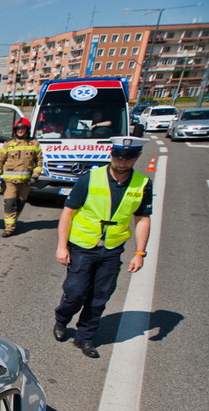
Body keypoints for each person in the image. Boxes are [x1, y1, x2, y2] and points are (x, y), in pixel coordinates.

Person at [53, 136, 152, 358]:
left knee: (100, 296)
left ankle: (84, 338)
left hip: (112, 249)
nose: (121, 162)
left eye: (127, 158)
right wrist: (62, 246)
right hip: (82, 246)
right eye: (117, 156)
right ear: (111, 154)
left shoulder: (142, 184)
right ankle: (62, 320)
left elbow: (142, 219)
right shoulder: (90, 178)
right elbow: (67, 213)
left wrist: (140, 253)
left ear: (136, 157)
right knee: (75, 292)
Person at [0, 117, 42, 237]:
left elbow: (39, 162)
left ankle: (12, 223)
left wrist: (34, 177)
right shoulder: (8, 145)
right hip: (9, 182)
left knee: (20, 204)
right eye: (18, 129)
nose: (20, 131)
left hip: (25, 182)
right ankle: (9, 229)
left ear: (27, 130)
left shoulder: (34, 144)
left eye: (23, 128)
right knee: (9, 204)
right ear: (15, 130)